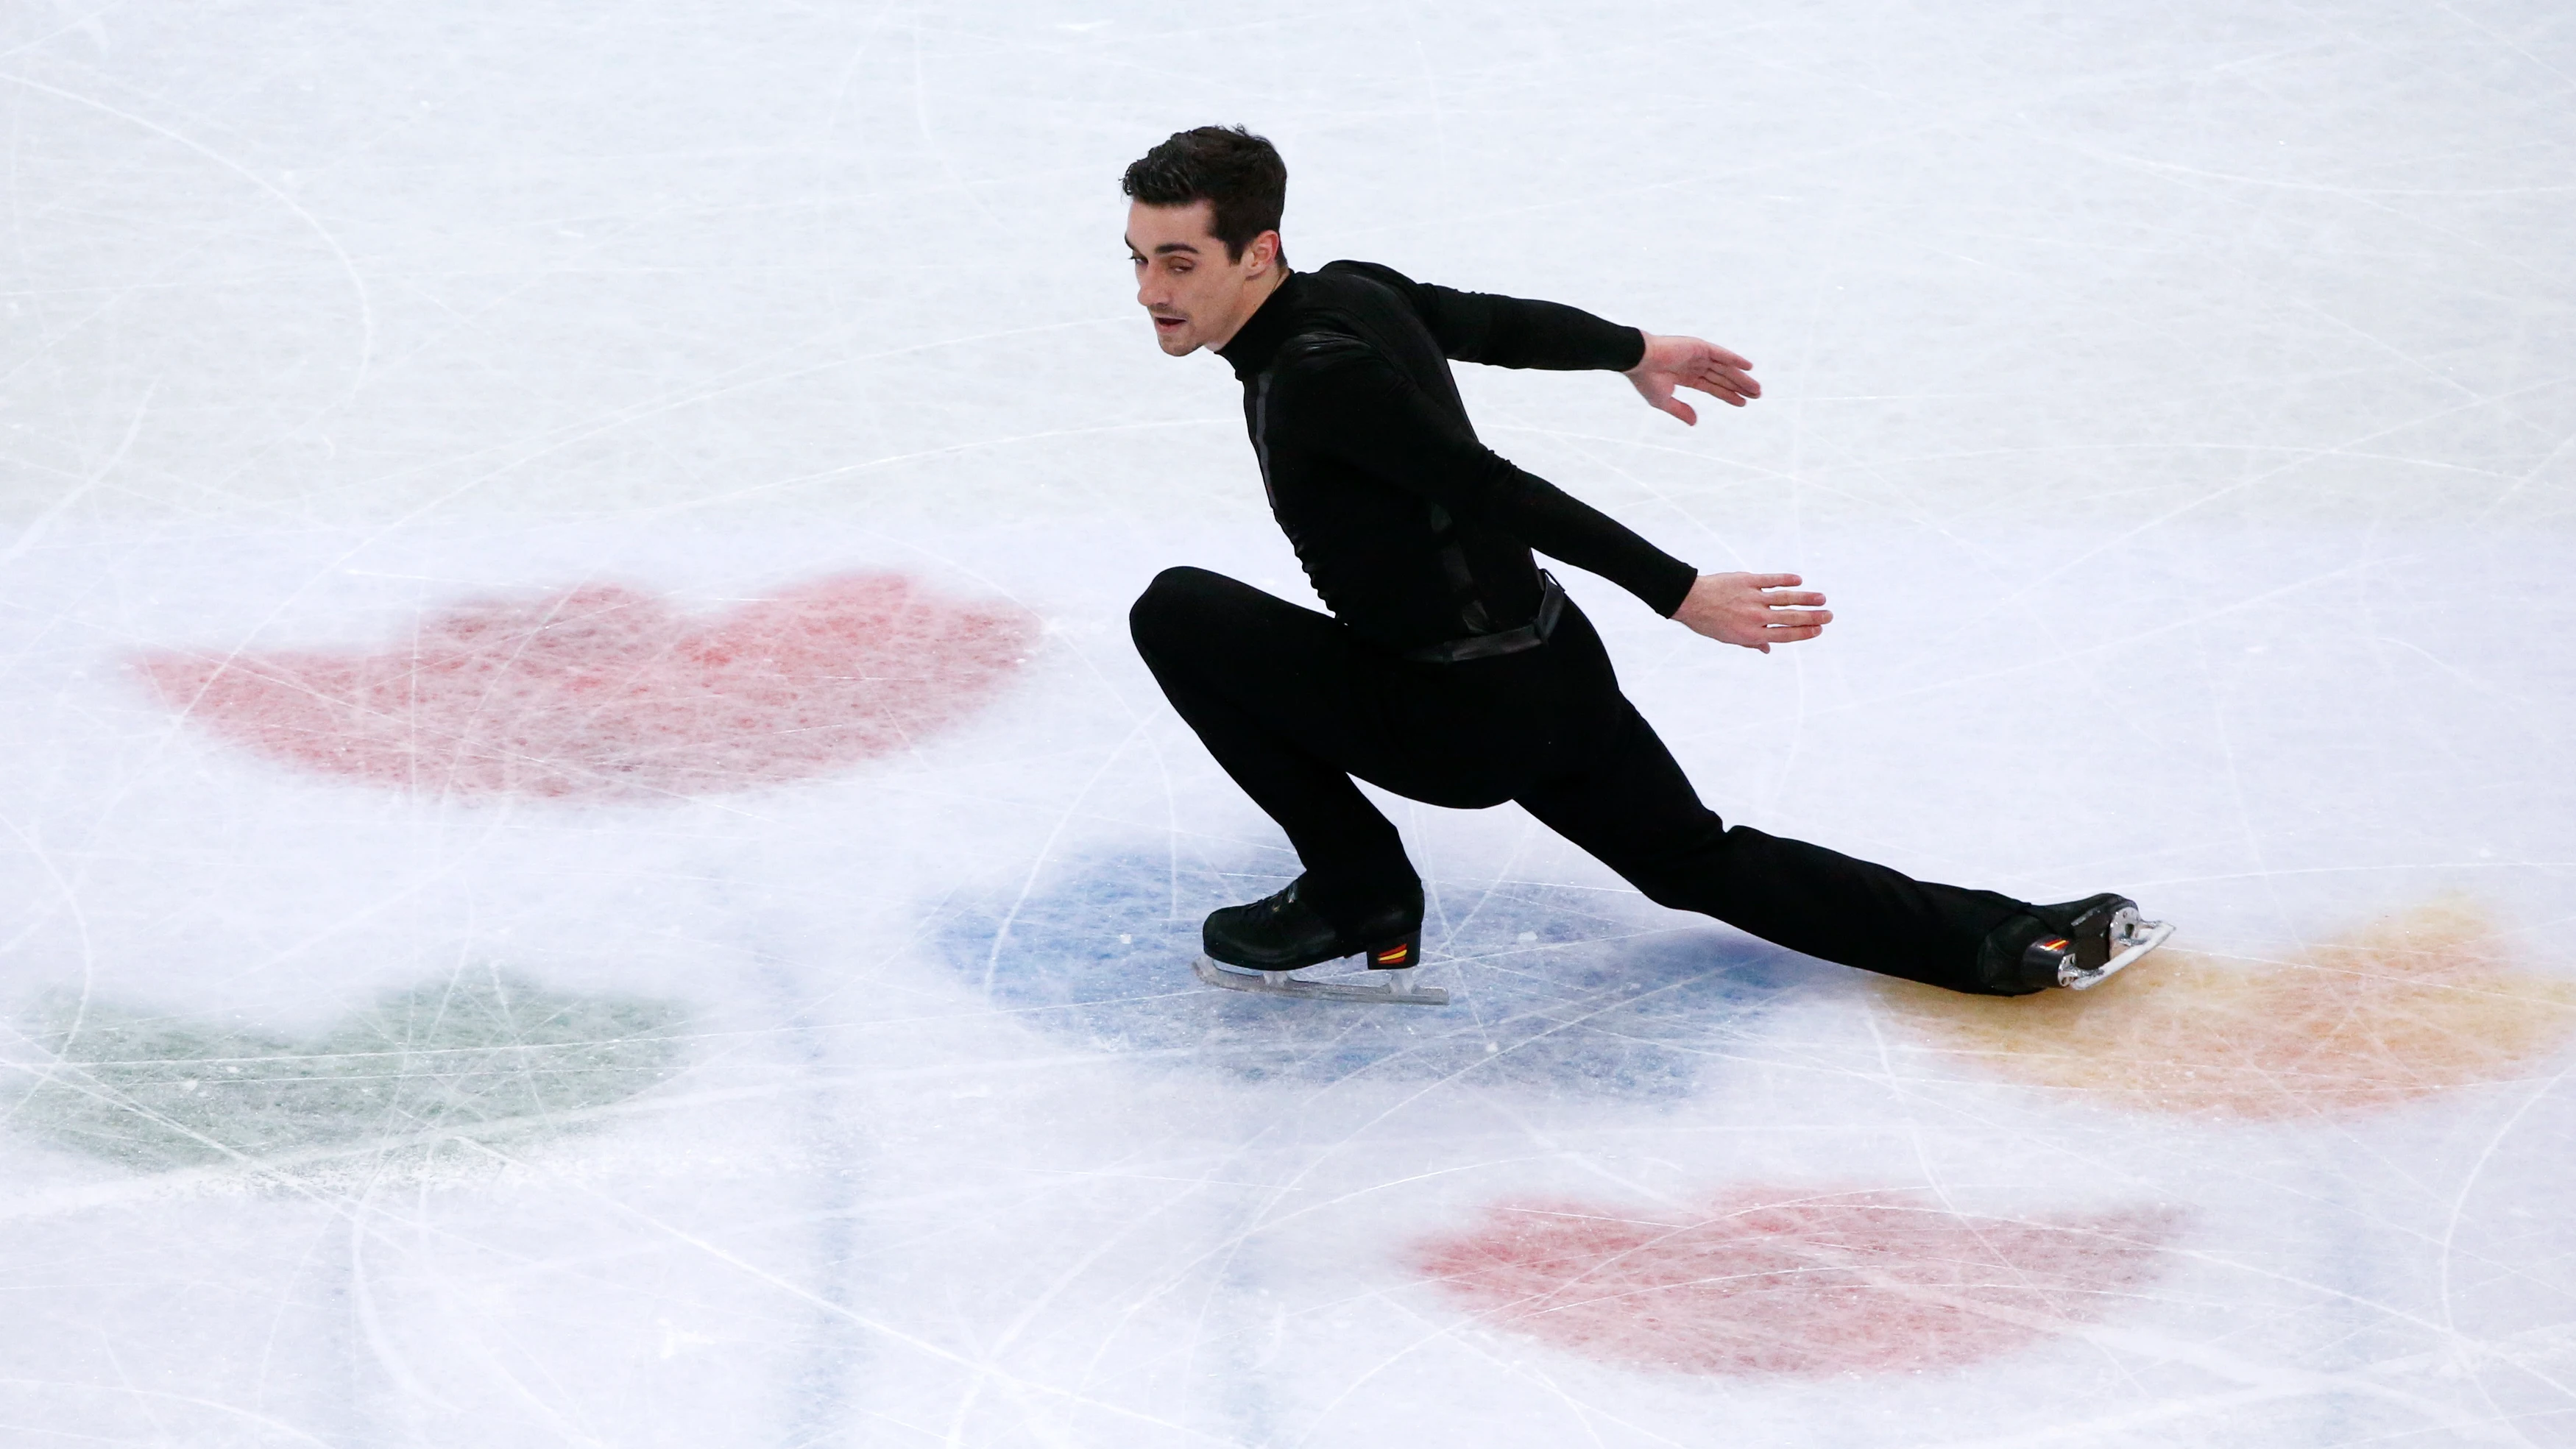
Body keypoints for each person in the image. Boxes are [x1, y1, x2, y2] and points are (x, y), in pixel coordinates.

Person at [1120, 125, 2159, 998]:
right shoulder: (1355, 290)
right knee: (1692, 859)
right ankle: (2004, 940)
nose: (1151, 292)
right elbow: (1487, 324)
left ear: (1258, 252)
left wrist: (1678, 592)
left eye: (1180, 263)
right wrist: (1633, 348)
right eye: (1138, 258)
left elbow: (1488, 486)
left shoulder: (1314, 377)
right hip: (1554, 673)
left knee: (1176, 613)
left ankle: (1359, 890)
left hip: (1455, 720)